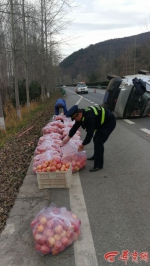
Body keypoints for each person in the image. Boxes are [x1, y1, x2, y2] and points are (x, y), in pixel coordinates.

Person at [62, 105, 116, 172]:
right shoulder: (81, 115)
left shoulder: (90, 118)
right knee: (95, 139)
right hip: (102, 123)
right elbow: (75, 127)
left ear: (79, 114)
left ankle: (98, 165)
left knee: (98, 142)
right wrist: (67, 138)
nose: (75, 120)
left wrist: (82, 145)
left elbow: (89, 135)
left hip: (108, 123)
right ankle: (96, 156)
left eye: (75, 119)